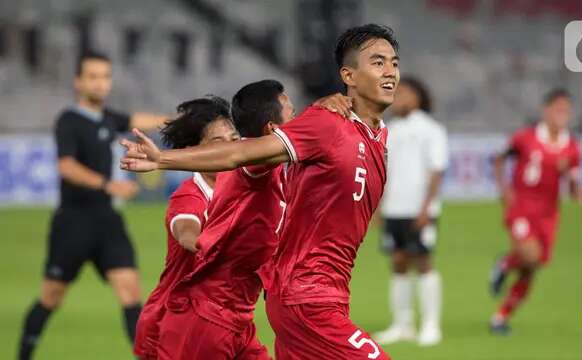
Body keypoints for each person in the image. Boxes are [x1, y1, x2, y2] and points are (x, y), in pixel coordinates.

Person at [120, 24, 399, 360]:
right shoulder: (316, 130)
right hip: (272, 303)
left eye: (394, 63)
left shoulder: (372, 138)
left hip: (275, 306)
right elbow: (238, 155)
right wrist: (162, 159)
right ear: (348, 75)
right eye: (378, 62)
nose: (391, 71)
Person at [145, 81, 352, 359]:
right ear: (271, 130)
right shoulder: (254, 167)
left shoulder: (276, 169)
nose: (301, 123)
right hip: (205, 319)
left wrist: (322, 107)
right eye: (292, 115)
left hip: (237, 319)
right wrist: (162, 159)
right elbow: (187, 227)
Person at [17, 50, 167, 360]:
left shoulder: (109, 118)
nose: (101, 83)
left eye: (105, 77)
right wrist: (107, 185)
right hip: (73, 221)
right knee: (51, 297)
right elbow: (66, 167)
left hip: (107, 221)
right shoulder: (69, 121)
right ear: (79, 81)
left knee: (130, 292)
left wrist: (186, 120)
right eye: (94, 77)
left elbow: (143, 120)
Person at [134, 96, 239, 359]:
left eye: (234, 140)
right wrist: (213, 244)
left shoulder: (243, 186)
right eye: (217, 142)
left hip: (224, 322)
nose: (229, 149)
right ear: (195, 151)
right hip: (172, 325)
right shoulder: (189, 196)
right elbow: (186, 232)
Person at [489, 88, 582, 335]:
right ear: (546, 110)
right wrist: (504, 190)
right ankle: (504, 263)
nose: (562, 114)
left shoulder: (571, 148)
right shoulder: (525, 138)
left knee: (530, 269)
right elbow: (499, 160)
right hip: (521, 208)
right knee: (530, 256)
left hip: (548, 215)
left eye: (566, 110)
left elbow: (574, 188)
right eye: (557, 109)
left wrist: (579, 191)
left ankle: (500, 318)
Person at [374, 77, 448, 346]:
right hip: (394, 208)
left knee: (424, 261)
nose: (397, 99)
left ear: (418, 97)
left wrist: (427, 207)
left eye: (403, 93)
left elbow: (437, 171)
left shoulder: (431, 129)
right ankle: (402, 324)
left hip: (418, 209)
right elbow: (383, 173)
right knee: (398, 262)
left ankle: (430, 324)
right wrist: (379, 207)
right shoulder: (389, 130)